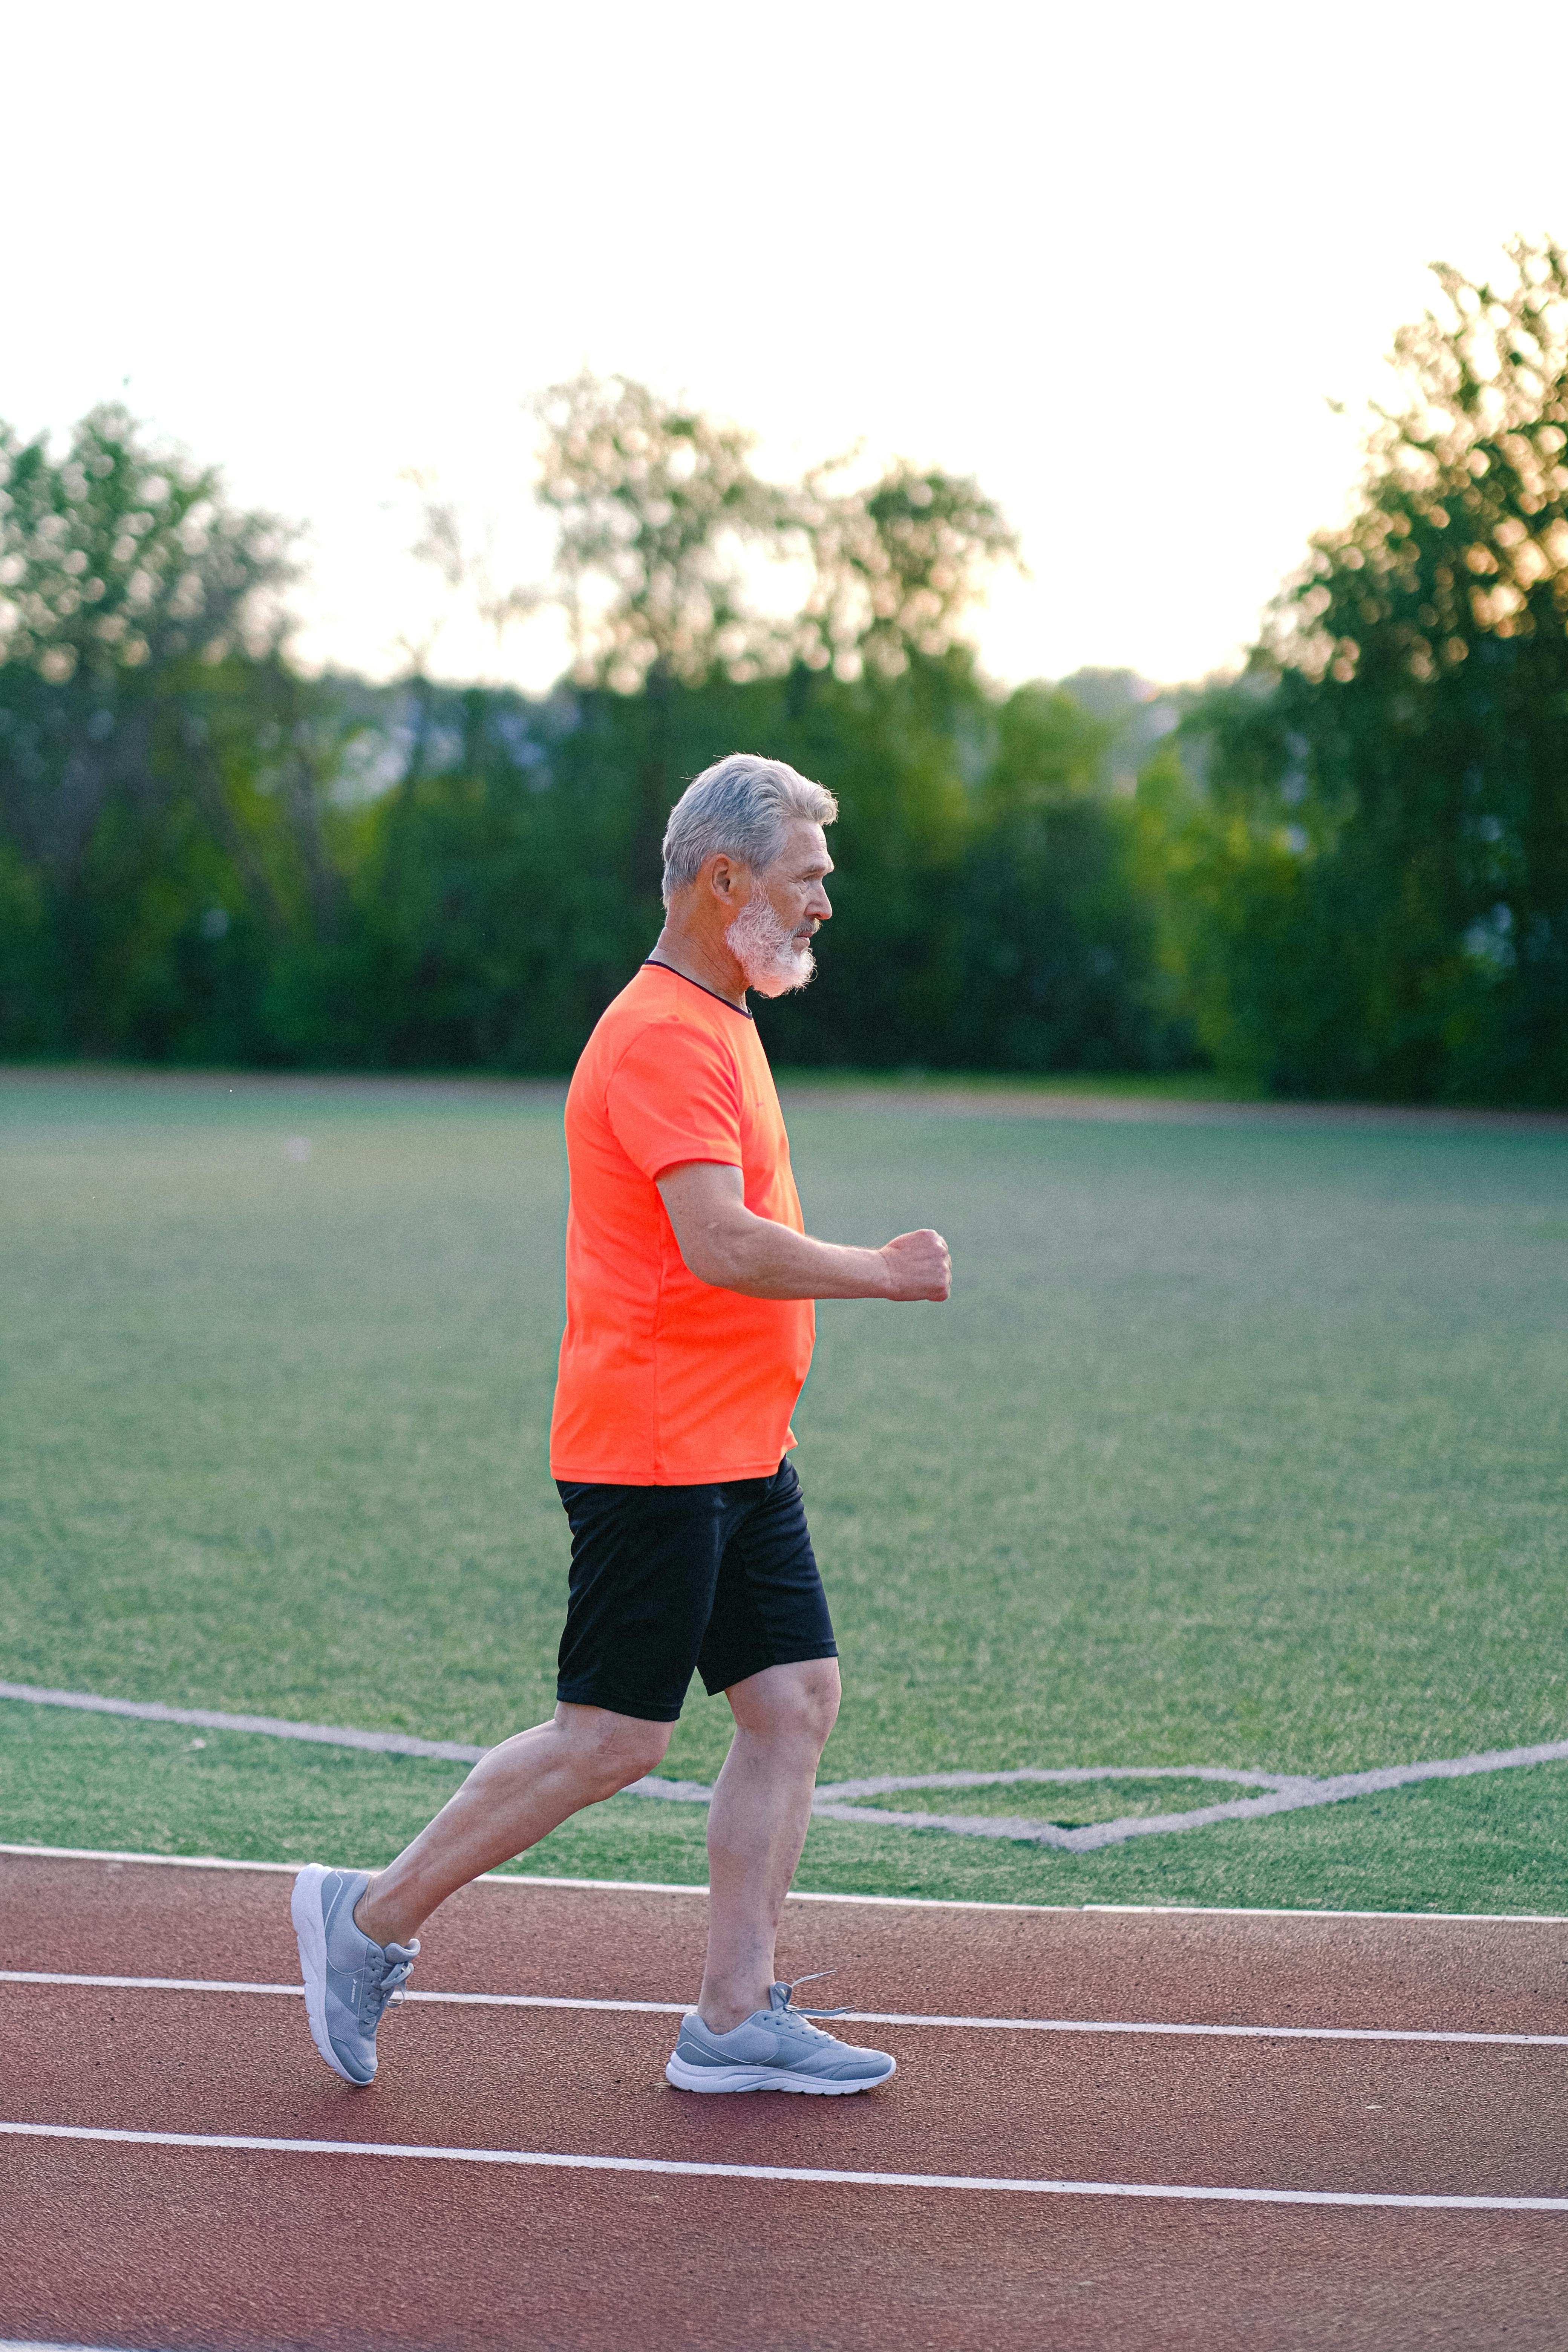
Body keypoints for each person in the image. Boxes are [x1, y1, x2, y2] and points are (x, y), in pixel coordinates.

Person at [292, 752, 952, 2097]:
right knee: (612, 1738)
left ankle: (732, 2017)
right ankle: (366, 1922)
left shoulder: (722, 1022)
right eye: (807, 878)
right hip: (656, 1449)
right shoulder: (658, 1035)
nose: (826, 903)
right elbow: (716, 1242)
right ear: (726, 883)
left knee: (793, 1702)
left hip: (739, 1444)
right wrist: (879, 1270)